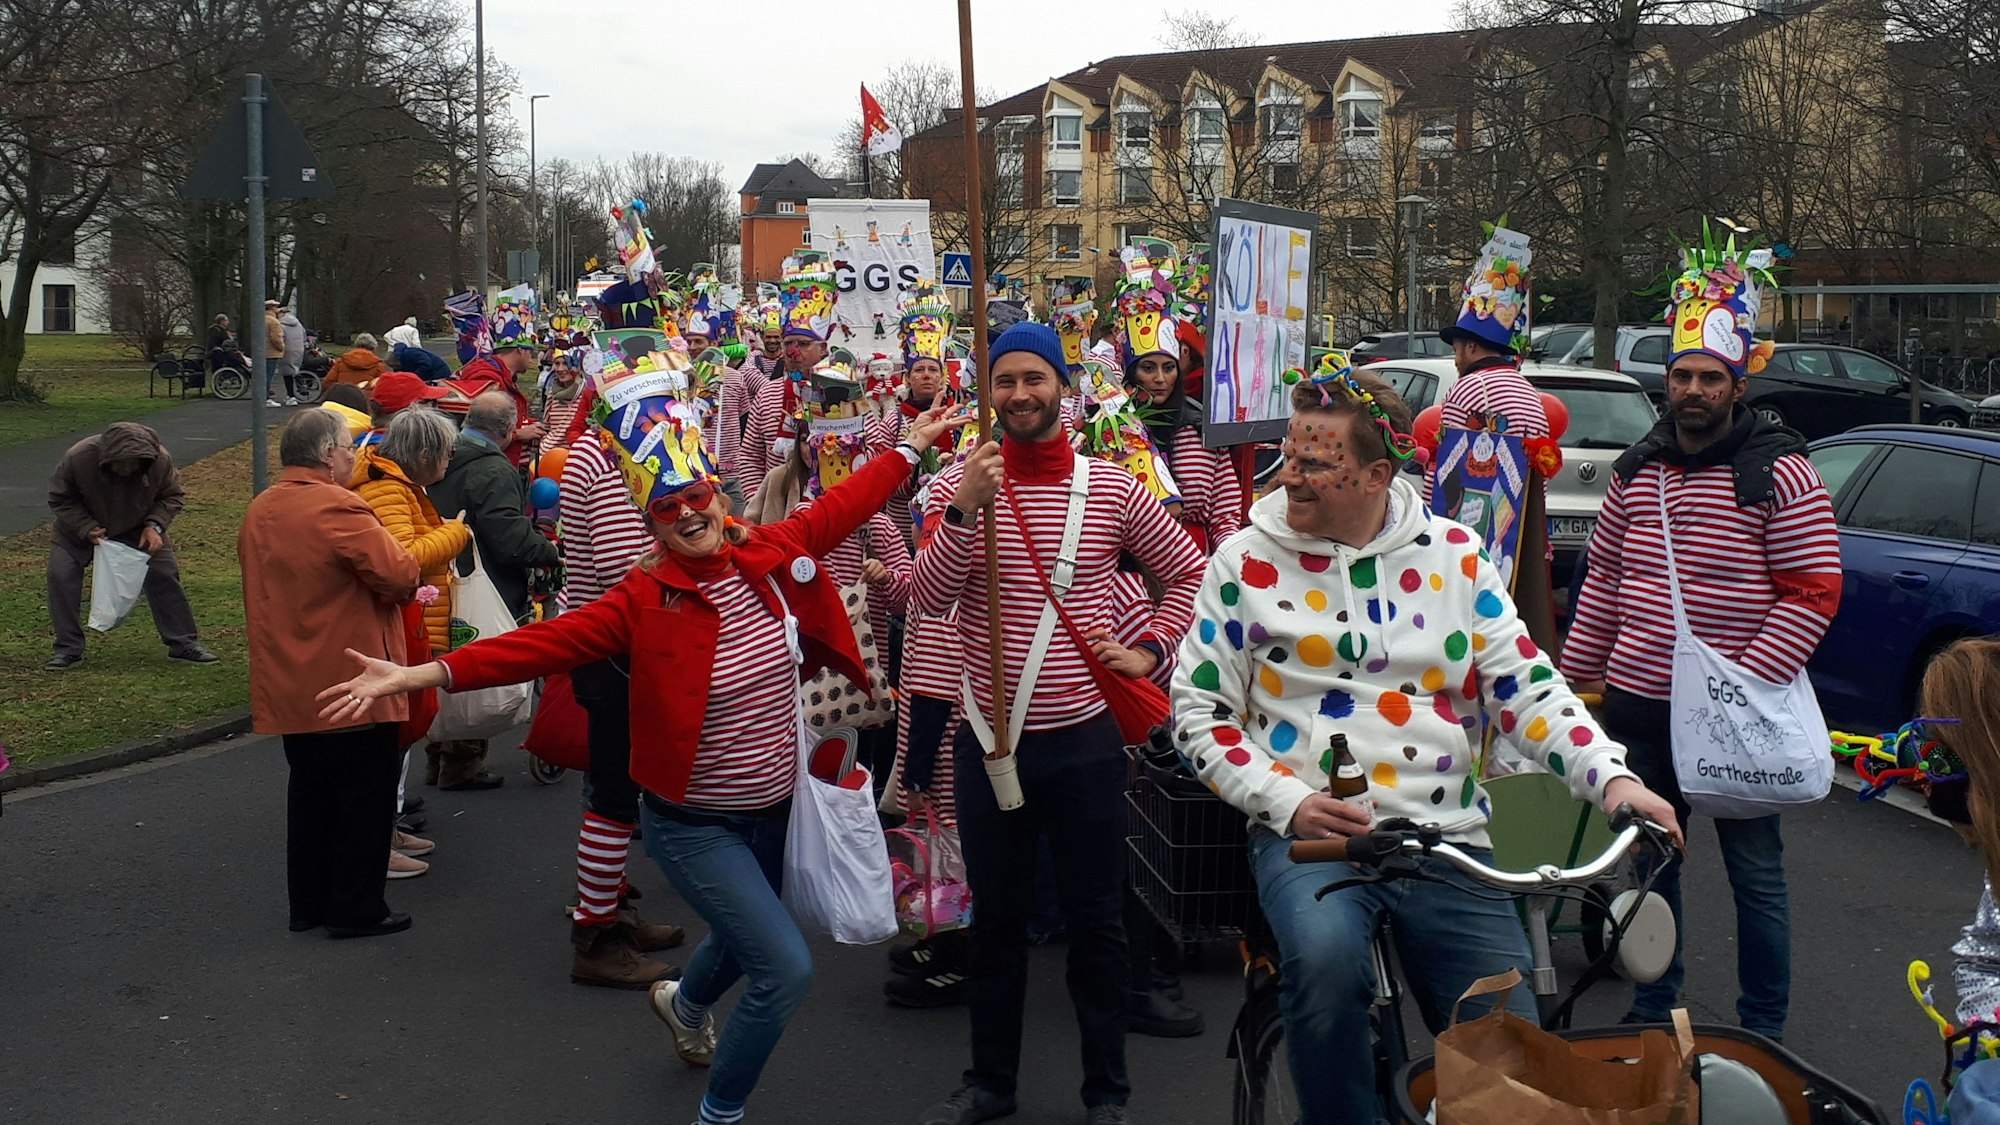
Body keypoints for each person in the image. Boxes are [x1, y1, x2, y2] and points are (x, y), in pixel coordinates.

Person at [316, 399, 968, 1125]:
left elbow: (842, 506)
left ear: (716, 496)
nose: (687, 514)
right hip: (694, 823)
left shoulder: (765, 554)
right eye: (666, 507)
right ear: (650, 521)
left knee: (742, 930)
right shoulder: (643, 597)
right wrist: (423, 674)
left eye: (695, 497)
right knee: (784, 967)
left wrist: (907, 450)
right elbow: (539, 645)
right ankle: (719, 1113)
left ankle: (683, 1002)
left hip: (777, 811)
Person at [1172, 362, 1681, 1123]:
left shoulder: (1455, 555)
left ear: (1378, 473)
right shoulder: (1243, 561)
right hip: (1316, 841)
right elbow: (1198, 712)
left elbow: (1524, 686)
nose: (1290, 479)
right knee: (1327, 965)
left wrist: (1612, 778)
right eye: (1290, 454)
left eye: (1316, 463)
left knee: (1510, 1043)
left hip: (1450, 838)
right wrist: (1290, 801)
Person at [912, 321, 1208, 1125]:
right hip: (990, 744)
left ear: (1061, 387)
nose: (1018, 395)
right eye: (1003, 381)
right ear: (988, 390)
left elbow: (1189, 568)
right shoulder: (955, 487)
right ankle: (990, 1084)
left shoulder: (1110, 487)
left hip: (1082, 742)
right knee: (998, 926)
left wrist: (1153, 646)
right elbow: (928, 598)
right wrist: (965, 512)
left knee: (1097, 926)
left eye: (1032, 379)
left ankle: (1107, 1092)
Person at [1560, 236, 1837, 1042]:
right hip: (1643, 711)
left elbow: (1814, 590)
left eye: (1709, 377)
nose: (1692, 390)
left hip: (1736, 721)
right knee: (1650, 873)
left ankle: (1764, 1033)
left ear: (1737, 382)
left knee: (1757, 879)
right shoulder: (1636, 470)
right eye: (1681, 375)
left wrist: (1738, 682)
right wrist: (1576, 689)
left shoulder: (1779, 471)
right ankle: (1654, 1013)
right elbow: (1603, 584)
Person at [242, 409, 421, 938]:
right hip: (350, 677)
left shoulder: (262, 508)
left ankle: (310, 904)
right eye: (348, 448)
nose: (353, 456)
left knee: (311, 795)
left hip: (289, 678)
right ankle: (356, 907)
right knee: (363, 797)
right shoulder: (338, 505)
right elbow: (400, 572)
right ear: (326, 455)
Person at [555, 395, 692, 989]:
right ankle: (597, 935)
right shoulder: (607, 458)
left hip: (612, 648)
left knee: (617, 792)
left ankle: (614, 912)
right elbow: (625, 569)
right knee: (613, 797)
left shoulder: (607, 451)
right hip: (613, 652)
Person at [354, 408, 473, 879]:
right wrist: (455, 532)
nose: (449, 461)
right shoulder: (387, 488)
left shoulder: (399, 485)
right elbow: (401, 560)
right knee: (388, 738)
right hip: (399, 628)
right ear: (425, 453)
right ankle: (375, 840)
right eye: (446, 453)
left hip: (412, 623)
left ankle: (388, 825)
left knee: (399, 737)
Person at [421, 392, 561, 789]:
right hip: (484, 578)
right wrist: (546, 550)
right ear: (508, 430)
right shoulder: (491, 470)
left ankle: (438, 756)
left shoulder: (442, 455)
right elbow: (506, 534)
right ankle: (462, 765)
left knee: (447, 660)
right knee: (477, 661)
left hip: (439, 573)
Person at [45, 422, 217, 670]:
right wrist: (85, 527)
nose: (126, 468)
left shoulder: (160, 461)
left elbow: (172, 496)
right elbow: (60, 498)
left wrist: (155, 526)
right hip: (78, 531)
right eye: (120, 462)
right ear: (106, 457)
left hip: (139, 528)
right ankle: (68, 648)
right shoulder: (79, 457)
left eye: (134, 463)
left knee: (164, 573)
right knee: (60, 575)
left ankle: (184, 643)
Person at [1112, 244, 1242, 553]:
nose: (1159, 378)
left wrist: (1222, 564)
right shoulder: (1110, 431)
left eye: (1168, 368)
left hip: (1198, 563)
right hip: (1130, 568)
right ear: (1131, 373)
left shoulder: (1201, 429)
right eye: (1147, 368)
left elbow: (1225, 514)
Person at [1428, 225, 1547, 504]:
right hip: (1521, 523)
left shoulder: (1469, 387)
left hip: (1477, 524)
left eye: (1457, 350)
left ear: (1471, 347)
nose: (1456, 361)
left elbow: (1446, 467)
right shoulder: (1528, 390)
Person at [742, 253, 838, 504]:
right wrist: (759, 503)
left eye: (804, 343)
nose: (793, 351)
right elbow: (750, 457)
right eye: (789, 343)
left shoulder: (845, 391)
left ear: (824, 348)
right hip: (777, 518)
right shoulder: (767, 394)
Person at [452, 307, 543, 466]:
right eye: (531, 351)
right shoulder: (488, 378)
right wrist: (520, 434)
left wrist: (528, 424)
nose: (532, 358)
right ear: (520, 349)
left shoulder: (505, 377)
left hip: (502, 464)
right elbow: (481, 433)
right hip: (490, 468)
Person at [538, 346, 586, 456]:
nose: (560, 369)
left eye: (565, 363)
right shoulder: (552, 392)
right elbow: (546, 426)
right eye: (557, 363)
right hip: (549, 454)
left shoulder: (586, 394)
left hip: (576, 457)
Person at [326, 333, 391, 387]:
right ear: (373, 347)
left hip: (343, 396)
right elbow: (384, 385)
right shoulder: (378, 365)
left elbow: (328, 381)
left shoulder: (341, 361)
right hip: (366, 398)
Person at [263, 299, 292, 407]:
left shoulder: (261, 319)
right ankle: (266, 398)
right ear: (272, 308)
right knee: (269, 376)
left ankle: (262, 397)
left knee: (264, 375)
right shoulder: (274, 321)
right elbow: (276, 338)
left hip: (262, 351)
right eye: (275, 307)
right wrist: (282, 347)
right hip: (272, 352)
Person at [280, 305, 308, 399]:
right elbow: (304, 335)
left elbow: (281, 338)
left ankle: (290, 395)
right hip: (299, 348)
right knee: (296, 369)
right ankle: (302, 387)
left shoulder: (281, 325)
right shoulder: (298, 323)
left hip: (287, 349)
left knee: (287, 372)